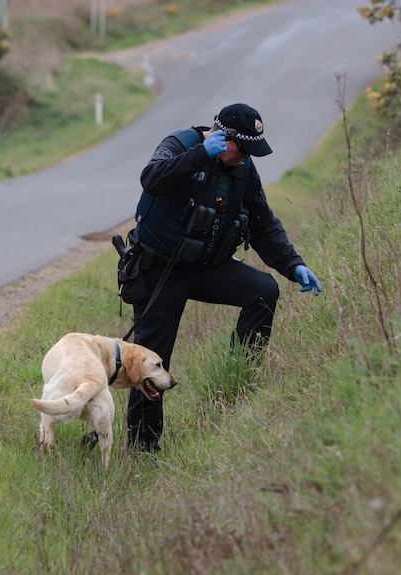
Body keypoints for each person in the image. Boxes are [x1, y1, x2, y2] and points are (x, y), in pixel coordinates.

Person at [125, 103, 322, 452]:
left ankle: (237, 381)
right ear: (221, 135)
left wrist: (292, 264)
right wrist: (200, 155)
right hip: (160, 270)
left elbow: (262, 223)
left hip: (206, 267)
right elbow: (151, 178)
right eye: (242, 148)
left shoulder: (243, 169)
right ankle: (143, 449)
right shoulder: (180, 146)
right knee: (151, 361)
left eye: (251, 151)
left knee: (263, 291)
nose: (246, 157)